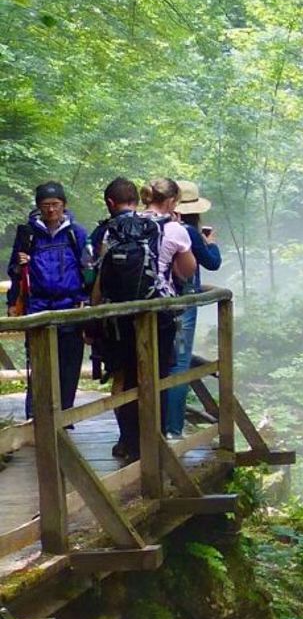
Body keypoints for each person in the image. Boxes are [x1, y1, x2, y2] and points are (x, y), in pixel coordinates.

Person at [94, 178, 195, 461]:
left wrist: (93, 317)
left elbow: (102, 276)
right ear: (173, 201)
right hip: (156, 314)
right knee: (156, 375)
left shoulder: (117, 226)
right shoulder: (173, 228)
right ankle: (155, 443)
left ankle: (129, 441)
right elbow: (187, 272)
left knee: (124, 376)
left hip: (119, 315)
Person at [7, 182, 92, 416]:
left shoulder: (77, 233)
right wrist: (20, 264)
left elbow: (89, 269)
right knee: (39, 364)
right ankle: (35, 416)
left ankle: (64, 416)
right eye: (46, 205)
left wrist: (87, 300)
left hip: (70, 307)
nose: (51, 210)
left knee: (69, 365)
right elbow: (13, 271)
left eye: (55, 205)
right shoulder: (28, 234)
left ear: (64, 205)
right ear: (39, 207)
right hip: (38, 307)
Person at [160, 181, 221, 439]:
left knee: (162, 361)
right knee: (180, 364)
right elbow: (212, 263)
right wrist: (210, 243)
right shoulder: (188, 232)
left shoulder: (157, 225)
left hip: (159, 301)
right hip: (184, 304)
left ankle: (157, 424)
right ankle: (173, 430)